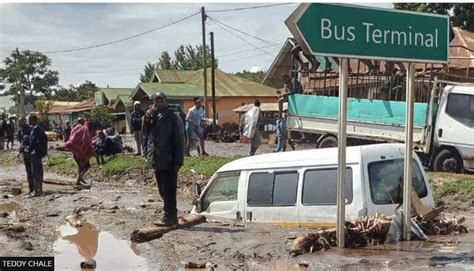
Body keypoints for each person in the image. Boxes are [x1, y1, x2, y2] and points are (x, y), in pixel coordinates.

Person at [143, 92, 185, 226]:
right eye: (156, 101)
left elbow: (180, 140)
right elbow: (146, 134)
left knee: (169, 189)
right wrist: (147, 118)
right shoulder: (153, 116)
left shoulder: (174, 116)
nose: (158, 104)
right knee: (162, 189)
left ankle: (168, 216)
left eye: (161, 101)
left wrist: (179, 160)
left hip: (169, 159)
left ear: (166, 101)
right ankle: (172, 213)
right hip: (156, 159)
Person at [64, 118, 93, 187]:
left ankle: (78, 181)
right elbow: (86, 139)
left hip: (75, 151)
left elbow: (71, 139)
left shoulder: (73, 129)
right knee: (87, 166)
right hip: (81, 151)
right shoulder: (84, 128)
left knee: (80, 166)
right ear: (82, 122)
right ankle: (80, 178)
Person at [26, 115, 48, 197]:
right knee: (40, 171)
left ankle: (36, 191)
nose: (28, 121)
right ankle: (40, 189)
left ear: (32, 120)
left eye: (29, 120)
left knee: (35, 172)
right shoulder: (39, 129)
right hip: (40, 153)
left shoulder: (35, 129)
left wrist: (29, 150)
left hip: (35, 153)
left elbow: (33, 142)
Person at [19, 123, 33, 194]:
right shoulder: (30, 135)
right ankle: (33, 188)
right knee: (31, 172)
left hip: (27, 157)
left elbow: (21, 149)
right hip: (31, 156)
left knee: (29, 172)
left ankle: (31, 189)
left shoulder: (25, 137)